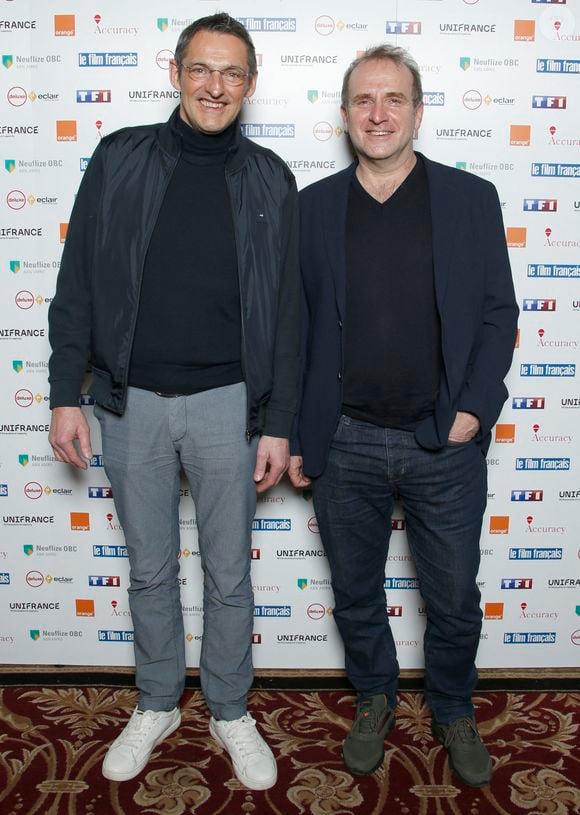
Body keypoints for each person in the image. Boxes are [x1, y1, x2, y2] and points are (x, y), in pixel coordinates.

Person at [48, 13, 299, 791]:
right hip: (130, 404)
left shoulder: (270, 177)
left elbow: (288, 312)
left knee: (229, 574)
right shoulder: (120, 157)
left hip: (231, 402)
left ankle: (229, 707)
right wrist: (65, 395)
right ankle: (157, 698)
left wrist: (281, 422)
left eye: (231, 73)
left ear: (250, 84)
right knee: (150, 570)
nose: (215, 86)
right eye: (201, 69)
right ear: (177, 72)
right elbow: (78, 284)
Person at [289, 45, 518, 787]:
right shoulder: (313, 206)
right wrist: (295, 429)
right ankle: (376, 697)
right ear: (346, 114)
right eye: (363, 101)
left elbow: (496, 313)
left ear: (418, 112)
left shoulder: (470, 197)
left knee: (451, 596)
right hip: (343, 438)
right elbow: (294, 327)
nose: (378, 114)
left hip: (441, 442)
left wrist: (473, 411)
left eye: (393, 100)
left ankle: (452, 704)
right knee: (356, 591)